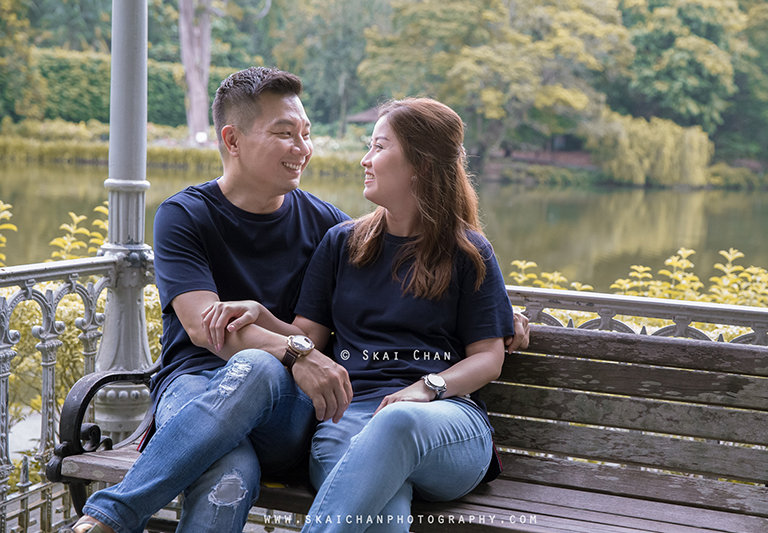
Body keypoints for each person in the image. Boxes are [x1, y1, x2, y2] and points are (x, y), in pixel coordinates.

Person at [62, 68, 529, 533]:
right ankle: (112, 517)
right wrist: (294, 348)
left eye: (305, 134)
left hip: (302, 407)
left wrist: (496, 303)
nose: (304, 148)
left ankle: (109, 517)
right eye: (285, 134)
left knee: (265, 371)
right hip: (199, 386)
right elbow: (211, 330)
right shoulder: (188, 215)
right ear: (232, 140)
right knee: (231, 471)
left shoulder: (329, 224)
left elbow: (415, 254)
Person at [203, 97, 515, 533]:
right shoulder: (342, 244)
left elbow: (489, 358)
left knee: (397, 421)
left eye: (380, 147)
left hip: (445, 424)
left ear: (420, 166)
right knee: (384, 515)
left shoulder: (468, 252)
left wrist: (427, 388)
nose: (366, 160)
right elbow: (305, 337)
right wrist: (262, 316)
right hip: (347, 422)